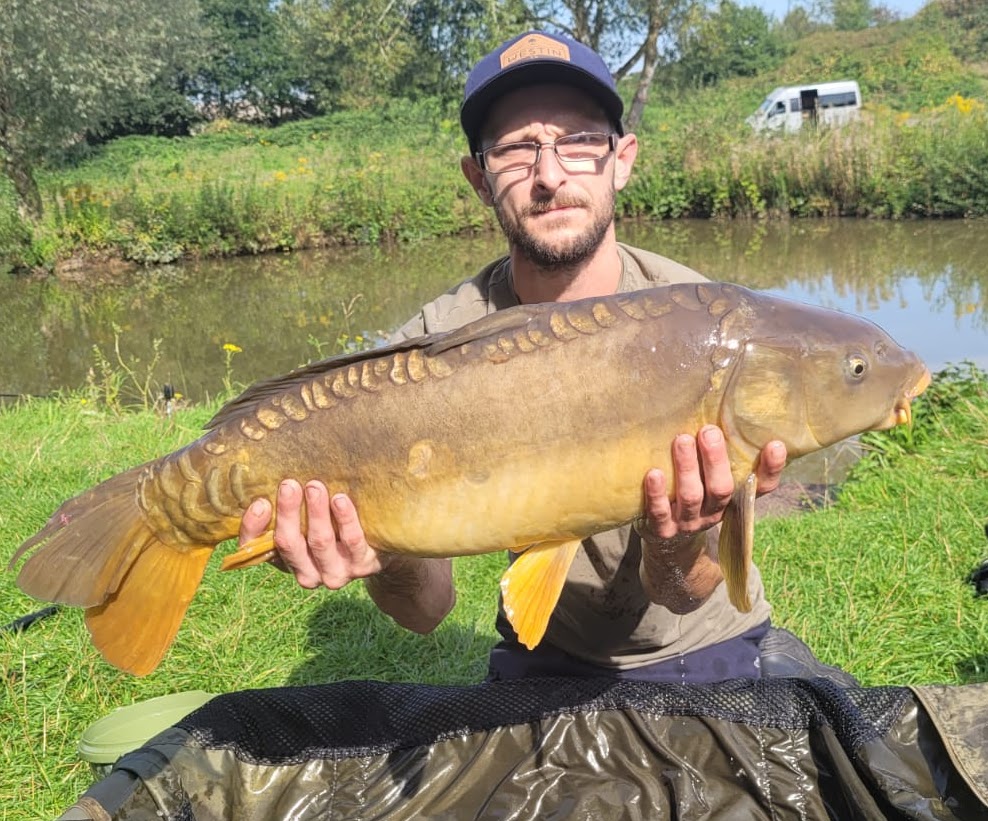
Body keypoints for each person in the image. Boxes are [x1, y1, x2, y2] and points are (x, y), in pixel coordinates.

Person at [239, 30, 855, 685]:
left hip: (703, 644)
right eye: (515, 148)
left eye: (581, 141)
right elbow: (424, 611)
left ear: (622, 159)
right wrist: (376, 546)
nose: (550, 174)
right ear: (478, 177)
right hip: (545, 651)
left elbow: (686, 594)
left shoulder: (705, 330)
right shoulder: (431, 349)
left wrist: (674, 540)